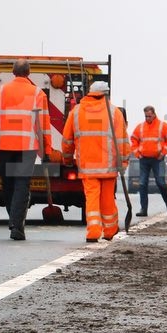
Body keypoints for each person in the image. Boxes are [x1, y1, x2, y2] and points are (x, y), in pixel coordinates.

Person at [0, 58, 55, 241]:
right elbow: (44, 125)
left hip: (5, 146)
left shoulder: (2, 91)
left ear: (13, 72)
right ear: (28, 73)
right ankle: (16, 223)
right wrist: (46, 151)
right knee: (22, 183)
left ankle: (14, 219)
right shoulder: (38, 93)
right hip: (26, 147)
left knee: (9, 184)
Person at [62, 80, 130, 243]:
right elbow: (122, 141)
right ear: (106, 94)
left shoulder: (76, 112)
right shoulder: (115, 113)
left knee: (91, 198)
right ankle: (110, 230)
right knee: (107, 199)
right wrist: (124, 163)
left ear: (90, 93)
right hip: (108, 165)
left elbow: (67, 140)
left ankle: (93, 231)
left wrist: (67, 158)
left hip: (87, 165)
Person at [130, 105, 167, 216]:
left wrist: (163, 153)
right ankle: (143, 209)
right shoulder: (140, 127)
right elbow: (133, 140)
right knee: (142, 184)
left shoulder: (163, 126)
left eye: (149, 116)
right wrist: (137, 154)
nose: (147, 119)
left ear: (154, 114)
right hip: (144, 160)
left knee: (161, 183)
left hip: (158, 160)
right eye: (146, 116)